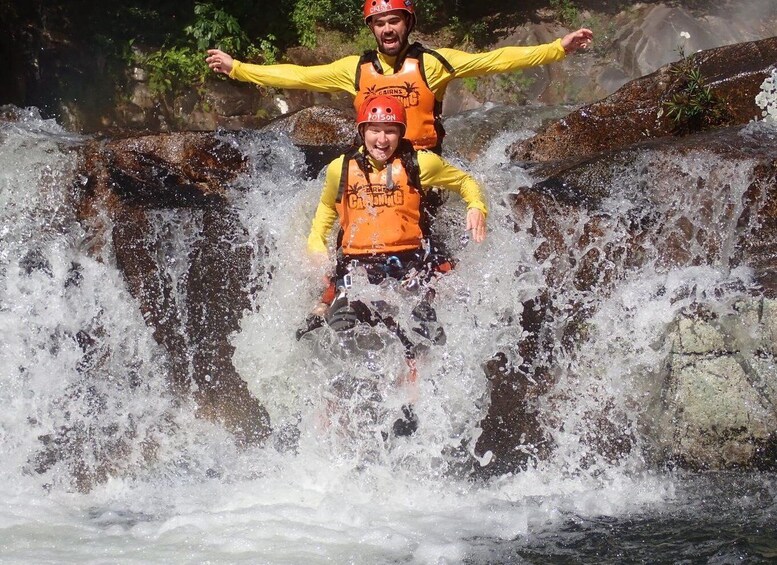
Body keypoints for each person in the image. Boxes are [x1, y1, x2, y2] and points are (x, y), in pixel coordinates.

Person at [299, 94, 487, 436]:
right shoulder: (340, 169)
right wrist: (315, 244)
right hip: (356, 268)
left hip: (407, 265)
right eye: (374, 130)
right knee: (336, 329)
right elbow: (327, 209)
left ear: (400, 133)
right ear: (362, 131)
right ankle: (335, 418)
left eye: (390, 131)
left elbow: (464, 182)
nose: (381, 139)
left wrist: (476, 207)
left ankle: (411, 409)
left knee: (420, 331)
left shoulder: (420, 164)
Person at [206, 0, 593, 153]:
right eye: (380, 23)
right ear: (371, 29)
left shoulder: (435, 63)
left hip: (423, 162)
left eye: (394, 21)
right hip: (372, 164)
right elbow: (298, 76)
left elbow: (496, 59)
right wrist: (238, 68)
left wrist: (557, 47)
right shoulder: (352, 70)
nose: (387, 29)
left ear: (407, 23)